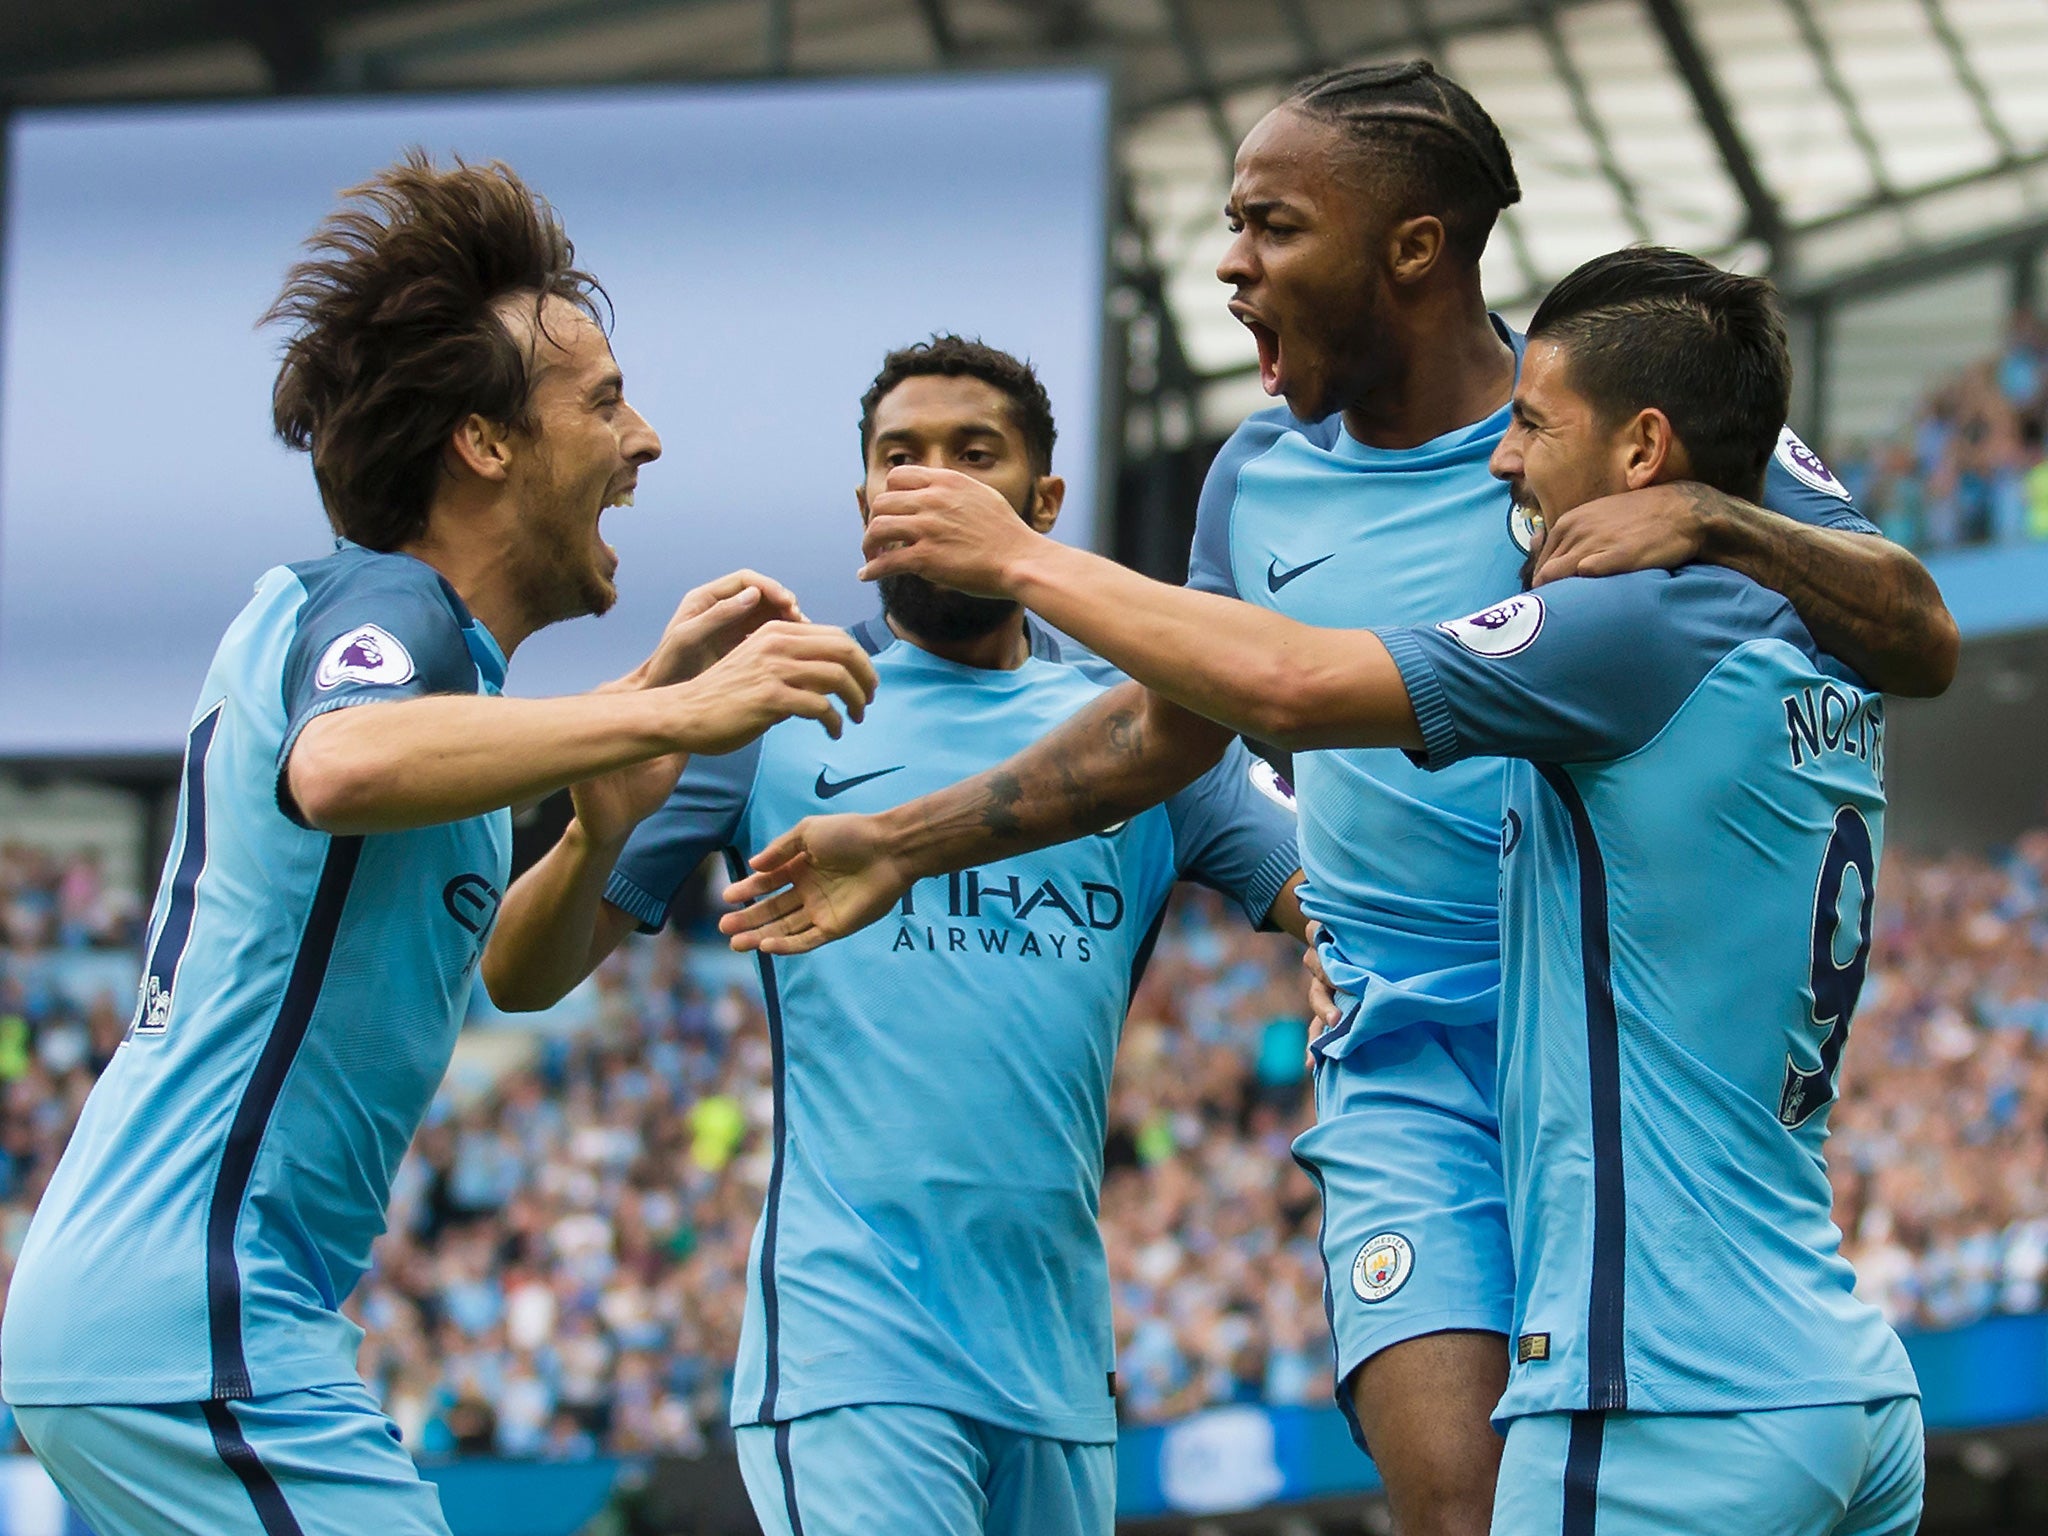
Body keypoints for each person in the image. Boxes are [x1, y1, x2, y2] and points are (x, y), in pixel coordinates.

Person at [715, 63, 1956, 1536]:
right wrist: (905, 841)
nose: (1231, 264)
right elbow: (1173, 731)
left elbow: (1914, 628)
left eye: (1271, 226)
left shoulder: (1607, 423)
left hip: (1603, 1044)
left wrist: (1716, 516)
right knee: (1460, 1505)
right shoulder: (1257, 478)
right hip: (1407, 1066)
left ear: (1414, 251)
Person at [0, 155, 875, 1536]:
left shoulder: (450, 688)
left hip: (167, 1318)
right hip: (198, 1321)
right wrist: (683, 704)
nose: (643, 439)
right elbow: (341, 763)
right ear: (483, 442)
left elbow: (518, 985)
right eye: (601, 402)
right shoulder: (381, 605)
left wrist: (608, 806)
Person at [482, 336, 1308, 1536]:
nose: (929, 481)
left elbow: (1330, 899)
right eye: (898, 458)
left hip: (1059, 1363)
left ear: (1042, 503)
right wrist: (590, 835)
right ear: (864, 500)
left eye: (973, 457)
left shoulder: (1145, 731)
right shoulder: (771, 715)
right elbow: (518, 975)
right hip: (849, 1348)